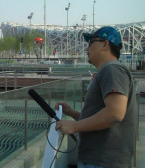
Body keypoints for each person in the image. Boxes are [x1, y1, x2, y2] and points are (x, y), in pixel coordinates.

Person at [55, 26, 137, 168]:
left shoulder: (112, 69)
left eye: (91, 43)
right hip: (98, 160)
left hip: (102, 161)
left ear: (105, 44)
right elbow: (101, 118)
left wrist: (74, 126)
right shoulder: (108, 71)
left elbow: (114, 113)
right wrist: (72, 113)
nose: (87, 49)